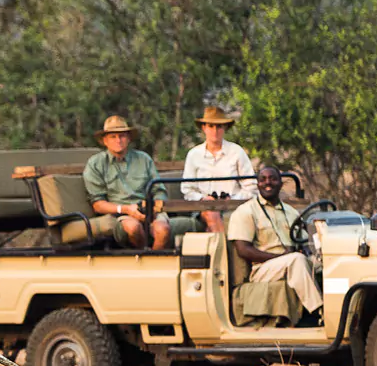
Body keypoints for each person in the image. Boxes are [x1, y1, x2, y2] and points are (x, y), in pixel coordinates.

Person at [227, 165, 323, 321]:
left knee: (327, 262)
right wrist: (279, 257)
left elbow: (304, 240)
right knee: (296, 260)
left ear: (280, 183)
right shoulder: (246, 211)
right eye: (263, 179)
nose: (268, 183)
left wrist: (313, 254)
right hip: (263, 268)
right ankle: (320, 311)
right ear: (257, 184)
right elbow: (243, 250)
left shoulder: (291, 211)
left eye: (273, 179)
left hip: (290, 260)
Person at [83, 115, 173, 250]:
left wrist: (155, 206)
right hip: (120, 214)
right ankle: (144, 257)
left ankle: (152, 259)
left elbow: (158, 190)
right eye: (113, 137)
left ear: (129, 138)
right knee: (133, 227)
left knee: (163, 230)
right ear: (105, 141)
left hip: (148, 209)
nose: (118, 140)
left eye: (122, 136)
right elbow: (98, 204)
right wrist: (125, 209)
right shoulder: (95, 163)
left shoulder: (143, 159)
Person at [181, 106, 257, 234]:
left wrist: (232, 199)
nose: (215, 131)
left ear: (225, 128)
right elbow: (187, 190)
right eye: (211, 126)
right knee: (212, 214)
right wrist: (203, 199)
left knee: (221, 220)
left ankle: (217, 242)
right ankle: (224, 245)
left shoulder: (237, 152)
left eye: (219, 126)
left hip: (234, 207)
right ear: (204, 128)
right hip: (203, 208)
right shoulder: (194, 154)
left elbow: (251, 187)